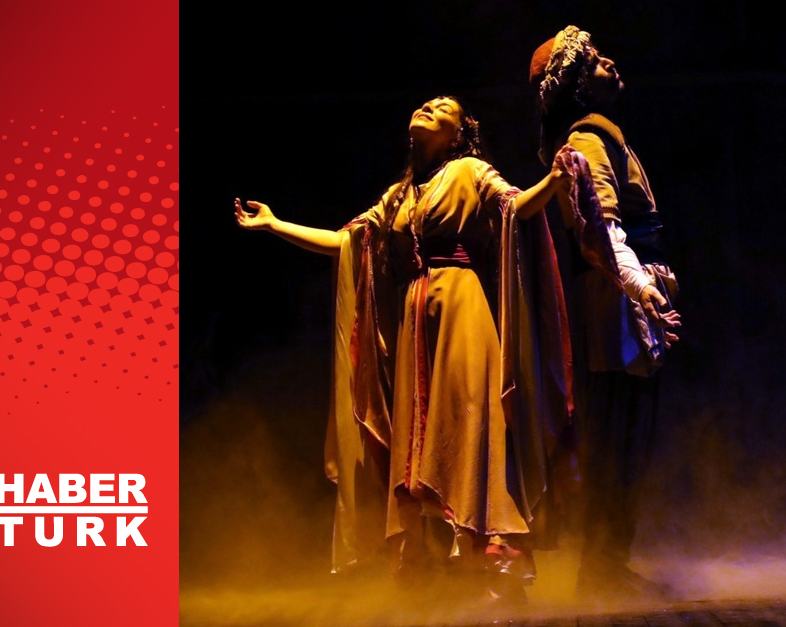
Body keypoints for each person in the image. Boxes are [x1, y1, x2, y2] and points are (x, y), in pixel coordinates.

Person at [235, 96, 576, 603]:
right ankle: (434, 562)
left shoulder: (470, 170)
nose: (430, 106)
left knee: (467, 420)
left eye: (444, 108)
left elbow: (515, 208)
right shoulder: (397, 196)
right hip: (414, 321)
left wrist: (552, 182)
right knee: (418, 437)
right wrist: (275, 224)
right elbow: (345, 242)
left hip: (461, 307)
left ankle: (487, 551)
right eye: (426, 103)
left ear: (458, 134)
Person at [529, 26, 683, 600]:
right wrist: (641, 288)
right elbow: (601, 230)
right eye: (593, 61)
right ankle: (599, 567)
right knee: (618, 434)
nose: (610, 62)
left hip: (620, 290)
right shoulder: (587, 140)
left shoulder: (600, 136)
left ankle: (606, 563)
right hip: (614, 295)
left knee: (625, 434)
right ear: (575, 85)